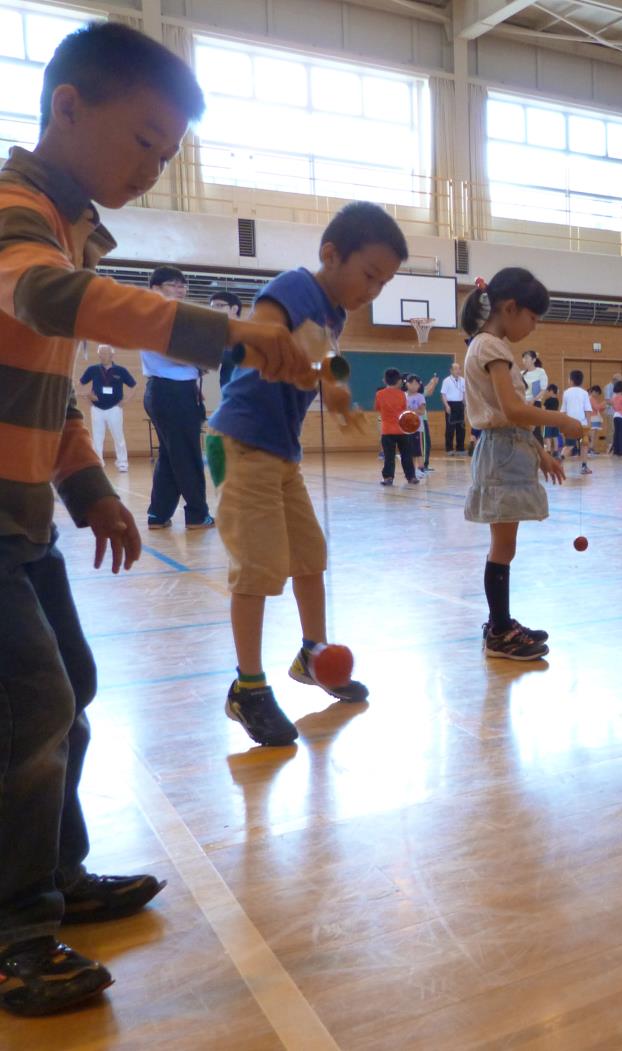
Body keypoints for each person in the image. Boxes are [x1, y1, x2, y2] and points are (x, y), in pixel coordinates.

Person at [0, 21, 304, 1018]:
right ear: (69, 106)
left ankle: (56, 876)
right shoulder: (14, 213)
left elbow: (39, 386)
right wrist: (223, 330)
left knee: (69, 688)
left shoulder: (70, 223)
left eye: (169, 153)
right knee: (30, 707)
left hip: (23, 518)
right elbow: (48, 304)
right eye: (143, 140)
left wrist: (87, 488)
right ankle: (13, 933)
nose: (153, 167)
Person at [209, 201, 405, 746]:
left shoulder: (333, 313)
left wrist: (336, 390)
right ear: (330, 254)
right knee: (258, 568)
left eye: (384, 283)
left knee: (308, 558)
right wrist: (284, 353)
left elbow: (323, 357)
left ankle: (313, 654)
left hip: (281, 453)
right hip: (240, 443)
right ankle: (247, 687)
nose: (373, 291)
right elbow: (263, 332)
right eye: (369, 275)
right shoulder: (297, 287)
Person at [461, 269, 584, 659]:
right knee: (502, 546)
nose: (534, 327)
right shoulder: (491, 347)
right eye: (533, 317)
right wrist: (560, 420)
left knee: (504, 546)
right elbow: (513, 409)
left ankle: (501, 622)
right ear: (510, 308)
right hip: (501, 453)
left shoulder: (489, 346)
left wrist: (541, 452)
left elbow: (508, 415)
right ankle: (499, 631)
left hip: (509, 448)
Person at [141, 265, 215, 530]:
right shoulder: (154, 315)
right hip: (169, 392)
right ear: (155, 289)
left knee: (171, 456)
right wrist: (200, 359)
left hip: (175, 391)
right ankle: (197, 514)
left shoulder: (173, 316)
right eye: (173, 284)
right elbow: (168, 352)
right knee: (187, 455)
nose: (180, 289)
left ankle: (158, 514)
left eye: (183, 285)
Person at [79, 344, 136, 472]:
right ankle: (98, 462)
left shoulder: (121, 371)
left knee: (118, 436)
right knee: (97, 437)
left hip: (114, 408)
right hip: (97, 409)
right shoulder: (92, 370)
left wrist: (125, 400)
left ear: (112, 354)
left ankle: (122, 463)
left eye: (105, 353)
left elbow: (133, 386)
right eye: (101, 353)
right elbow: (80, 385)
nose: (103, 356)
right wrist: (88, 396)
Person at [376, 368, 416, 485]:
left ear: (385, 381)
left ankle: (388, 478)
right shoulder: (402, 394)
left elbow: (378, 408)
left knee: (389, 456)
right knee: (406, 455)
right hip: (402, 430)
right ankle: (411, 477)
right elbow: (405, 409)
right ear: (398, 381)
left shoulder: (379, 394)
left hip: (387, 431)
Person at [208, 290, 244, 388]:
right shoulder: (220, 333)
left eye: (219, 306)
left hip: (248, 390)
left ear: (234, 309)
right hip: (228, 389)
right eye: (212, 307)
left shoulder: (247, 331)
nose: (214, 310)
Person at [561, 369, 592, 473]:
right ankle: (584, 466)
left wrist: (562, 424)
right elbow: (587, 410)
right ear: (581, 381)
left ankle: (559, 462)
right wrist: (589, 424)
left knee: (569, 445)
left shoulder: (566, 393)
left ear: (571, 380)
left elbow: (563, 411)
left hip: (569, 424)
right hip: (582, 424)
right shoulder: (584, 393)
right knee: (584, 445)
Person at [442, 360, 467, 455]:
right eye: (455, 369)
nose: (457, 370)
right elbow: (443, 394)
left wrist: (465, 406)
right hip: (450, 405)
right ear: (451, 370)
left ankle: (460, 448)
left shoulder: (463, 380)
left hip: (460, 404)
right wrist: (446, 405)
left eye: (459, 368)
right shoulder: (446, 381)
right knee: (450, 428)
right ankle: (449, 449)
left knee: (461, 427)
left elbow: (464, 393)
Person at [610, 380, 622, 456]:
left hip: (616, 416)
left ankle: (616, 450)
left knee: (616, 434)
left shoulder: (614, 398)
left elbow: (614, 407)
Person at [543, 383, 563, 455]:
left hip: (548, 419)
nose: (547, 393)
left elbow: (543, 409)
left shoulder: (547, 400)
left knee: (547, 436)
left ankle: (548, 450)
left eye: (548, 391)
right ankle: (556, 451)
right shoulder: (557, 400)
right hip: (555, 419)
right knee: (555, 436)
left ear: (551, 391)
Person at [588, 384, 606, 455]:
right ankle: (590, 449)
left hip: (595, 418)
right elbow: (597, 407)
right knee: (593, 434)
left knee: (594, 434)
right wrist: (603, 403)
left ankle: (592, 448)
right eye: (597, 393)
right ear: (594, 391)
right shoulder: (591, 398)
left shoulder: (593, 399)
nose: (597, 395)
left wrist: (603, 407)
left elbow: (598, 408)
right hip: (593, 418)